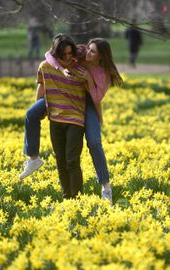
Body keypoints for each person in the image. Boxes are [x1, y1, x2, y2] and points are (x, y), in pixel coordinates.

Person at [20, 37, 123, 204]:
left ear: (101, 56)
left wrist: (89, 79)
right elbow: (50, 54)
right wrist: (61, 70)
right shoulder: (79, 53)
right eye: (88, 48)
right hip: (60, 95)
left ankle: (105, 187)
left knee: (94, 143)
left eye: (93, 51)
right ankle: (33, 158)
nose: (88, 53)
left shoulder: (104, 74)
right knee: (31, 114)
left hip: (87, 101)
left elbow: (96, 99)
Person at [36, 34, 87, 199]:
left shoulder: (80, 70)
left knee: (72, 160)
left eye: (70, 53)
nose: (67, 57)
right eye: (63, 54)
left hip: (75, 119)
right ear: (56, 54)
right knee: (60, 161)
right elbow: (41, 88)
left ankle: (78, 197)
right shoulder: (45, 67)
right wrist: (38, 110)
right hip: (55, 119)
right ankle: (67, 197)